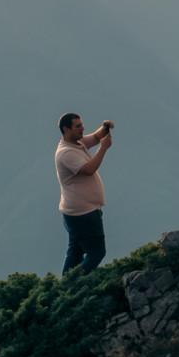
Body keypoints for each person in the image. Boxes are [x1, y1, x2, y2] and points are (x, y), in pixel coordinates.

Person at [55, 111, 113, 273]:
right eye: (78, 126)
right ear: (66, 129)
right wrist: (103, 148)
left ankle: (64, 289)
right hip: (82, 214)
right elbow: (89, 169)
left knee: (75, 253)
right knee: (97, 252)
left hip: (76, 212)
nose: (82, 128)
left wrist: (105, 127)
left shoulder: (76, 143)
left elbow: (95, 137)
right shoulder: (66, 153)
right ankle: (75, 283)